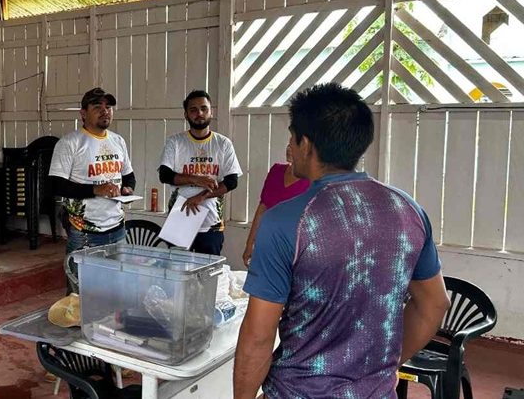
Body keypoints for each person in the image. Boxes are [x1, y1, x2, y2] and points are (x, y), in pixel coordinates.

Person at [233, 83, 451, 399]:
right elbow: (434, 303)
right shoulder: (407, 210)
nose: (289, 148)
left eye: (292, 138)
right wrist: (375, 369)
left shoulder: (284, 221)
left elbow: (258, 337)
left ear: (306, 144)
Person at [49, 87, 136, 293]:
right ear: (83, 113)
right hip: (84, 232)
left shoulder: (118, 141)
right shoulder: (70, 143)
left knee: (116, 289)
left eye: (108, 107)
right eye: (97, 107)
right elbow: (56, 184)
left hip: (117, 228)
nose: (105, 111)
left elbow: (129, 175)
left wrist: (127, 189)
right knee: (81, 294)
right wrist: (96, 190)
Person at [158, 90, 242, 255]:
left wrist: (201, 197)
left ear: (212, 112)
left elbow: (232, 181)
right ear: (186, 114)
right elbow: (165, 175)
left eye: (204, 108)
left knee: (207, 276)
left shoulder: (223, 143)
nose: (199, 113)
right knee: (178, 274)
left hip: (211, 224)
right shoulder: (175, 142)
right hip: (180, 219)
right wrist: (197, 179)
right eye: (193, 110)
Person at [241, 145, 310, 267]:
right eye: (288, 145)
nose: (289, 148)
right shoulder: (276, 171)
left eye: (294, 145)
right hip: (268, 244)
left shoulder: (311, 181)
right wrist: (250, 244)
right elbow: (262, 209)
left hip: (293, 250)